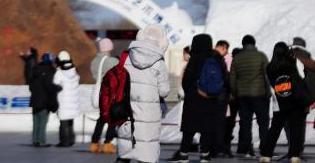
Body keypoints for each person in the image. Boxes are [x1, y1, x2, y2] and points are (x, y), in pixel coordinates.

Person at [118, 25, 172, 163]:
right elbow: (164, 91)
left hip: (128, 109)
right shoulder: (159, 62)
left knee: (127, 146)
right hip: (149, 113)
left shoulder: (128, 58)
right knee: (147, 150)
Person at [262, 41, 309, 163]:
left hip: (279, 102)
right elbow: (296, 80)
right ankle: (294, 156)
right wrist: (293, 61)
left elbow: (275, 83)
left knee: (274, 130)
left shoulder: (269, 67)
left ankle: (266, 155)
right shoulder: (289, 65)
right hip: (294, 102)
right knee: (296, 130)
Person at [176, 33, 220, 161]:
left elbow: (186, 80)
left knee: (189, 128)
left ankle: (184, 154)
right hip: (210, 98)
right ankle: (205, 154)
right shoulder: (215, 58)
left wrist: (190, 91)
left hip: (193, 99)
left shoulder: (194, 59)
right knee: (207, 128)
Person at [231, 34, 271, 157]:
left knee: (245, 123)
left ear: (243, 44)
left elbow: (232, 78)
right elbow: (266, 75)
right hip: (259, 95)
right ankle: (265, 149)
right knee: (263, 123)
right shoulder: (261, 56)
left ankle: (246, 149)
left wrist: (235, 93)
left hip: (243, 96)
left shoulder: (237, 58)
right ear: (254, 43)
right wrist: (268, 92)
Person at [90, 38, 120, 155]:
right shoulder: (112, 61)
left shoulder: (94, 62)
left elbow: (95, 76)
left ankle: (94, 143)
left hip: (101, 93)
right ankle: (108, 143)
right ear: (109, 48)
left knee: (102, 118)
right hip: (111, 94)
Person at [29, 51, 61, 147]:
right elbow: (49, 86)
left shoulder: (35, 69)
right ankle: (42, 141)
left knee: (36, 121)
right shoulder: (50, 70)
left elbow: (30, 87)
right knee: (43, 121)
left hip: (34, 100)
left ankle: (35, 140)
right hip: (44, 101)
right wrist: (58, 88)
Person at [293, 37, 315, 155]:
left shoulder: (287, 57)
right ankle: (299, 147)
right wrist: (312, 99)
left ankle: (292, 146)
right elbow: (312, 82)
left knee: (288, 123)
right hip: (304, 97)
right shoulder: (309, 60)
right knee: (301, 124)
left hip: (288, 97)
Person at [54, 50, 82, 147]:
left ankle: (64, 142)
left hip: (63, 101)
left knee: (63, 122)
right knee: (70, 121)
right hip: (73, 101)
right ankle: (71, 140)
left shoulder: (59, 72)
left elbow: (55, 85)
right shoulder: (74, 71)